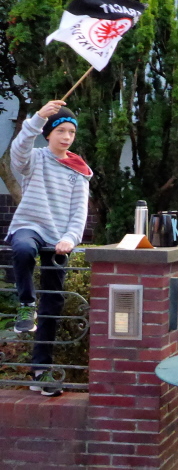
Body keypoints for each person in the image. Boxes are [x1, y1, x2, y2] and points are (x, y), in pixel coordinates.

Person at [7, 100, 92, 397]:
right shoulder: (35, 158)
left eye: (71, 132)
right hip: (29, 225)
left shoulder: (79, 170)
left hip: (58, 239)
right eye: (61, 131)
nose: (67, 137)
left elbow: (79, 213)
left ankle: (41, 371)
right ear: (48, 134)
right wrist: (38, 118)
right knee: (22, 249)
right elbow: (17, 152)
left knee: (53, 304)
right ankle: (26, 304)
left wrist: (70, 238)